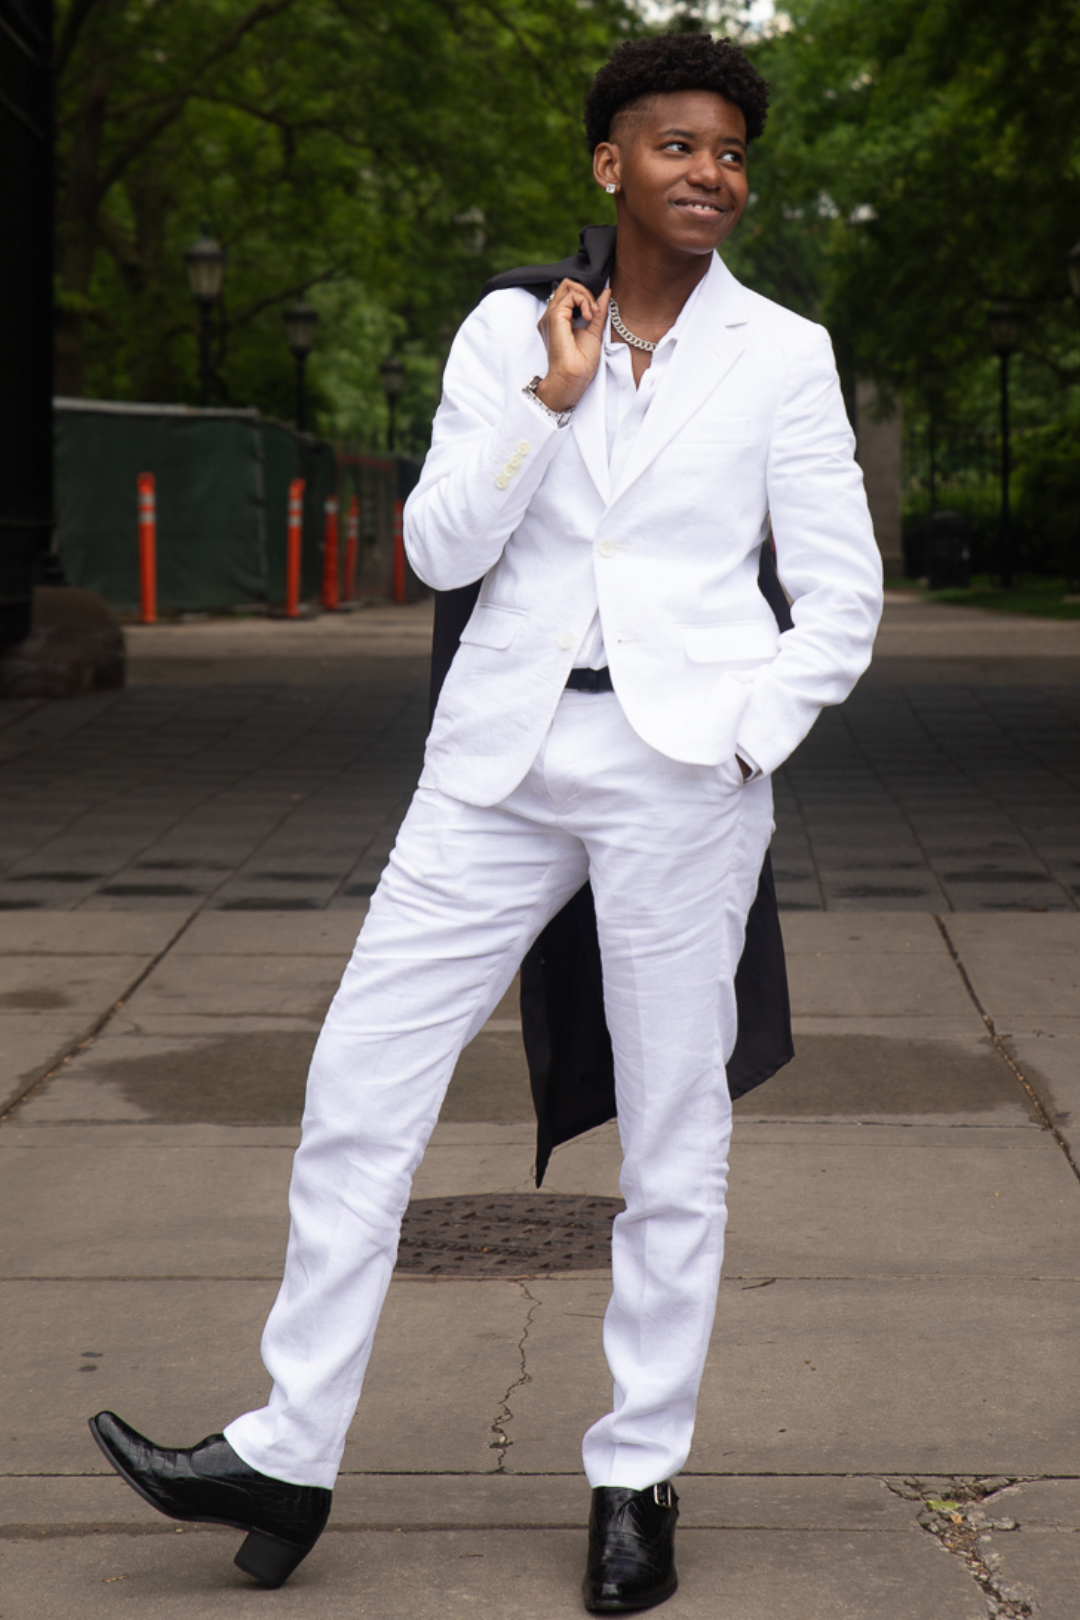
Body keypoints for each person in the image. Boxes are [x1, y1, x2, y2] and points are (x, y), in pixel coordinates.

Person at [89, 31, 883, 1615]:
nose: (710, 173)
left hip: (680, 770)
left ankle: (636, 1476)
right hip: (497, 763)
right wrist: (548, 399)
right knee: (359, 1083)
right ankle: (287, 1450)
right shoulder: (511, 330)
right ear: (609, 162)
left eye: (731, 151)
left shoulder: (784, 353)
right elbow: (440, 548)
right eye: (677, 145)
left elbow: (840, 595)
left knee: (673, 1131)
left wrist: (744, 742)